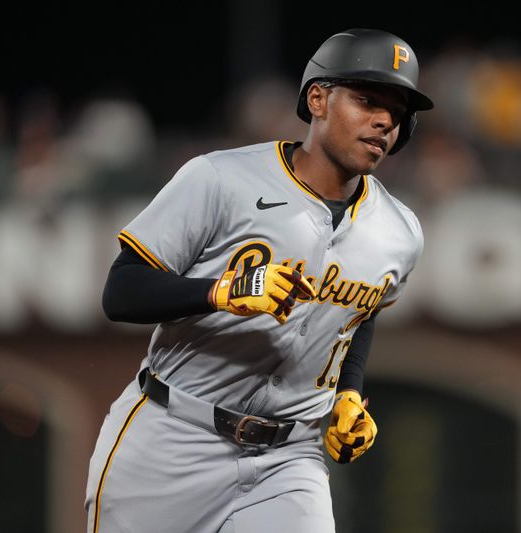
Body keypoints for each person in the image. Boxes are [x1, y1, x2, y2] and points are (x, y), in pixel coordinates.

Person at [85, 27, 433, 533]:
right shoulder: (220, 179)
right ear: (317, 99)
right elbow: (121, 292)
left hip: (288, 461)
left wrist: (347, 394)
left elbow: (361, 313)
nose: (384, 120)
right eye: (366, 100)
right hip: (173, 439)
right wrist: (220, 291)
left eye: (397, 113)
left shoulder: (399, 231)